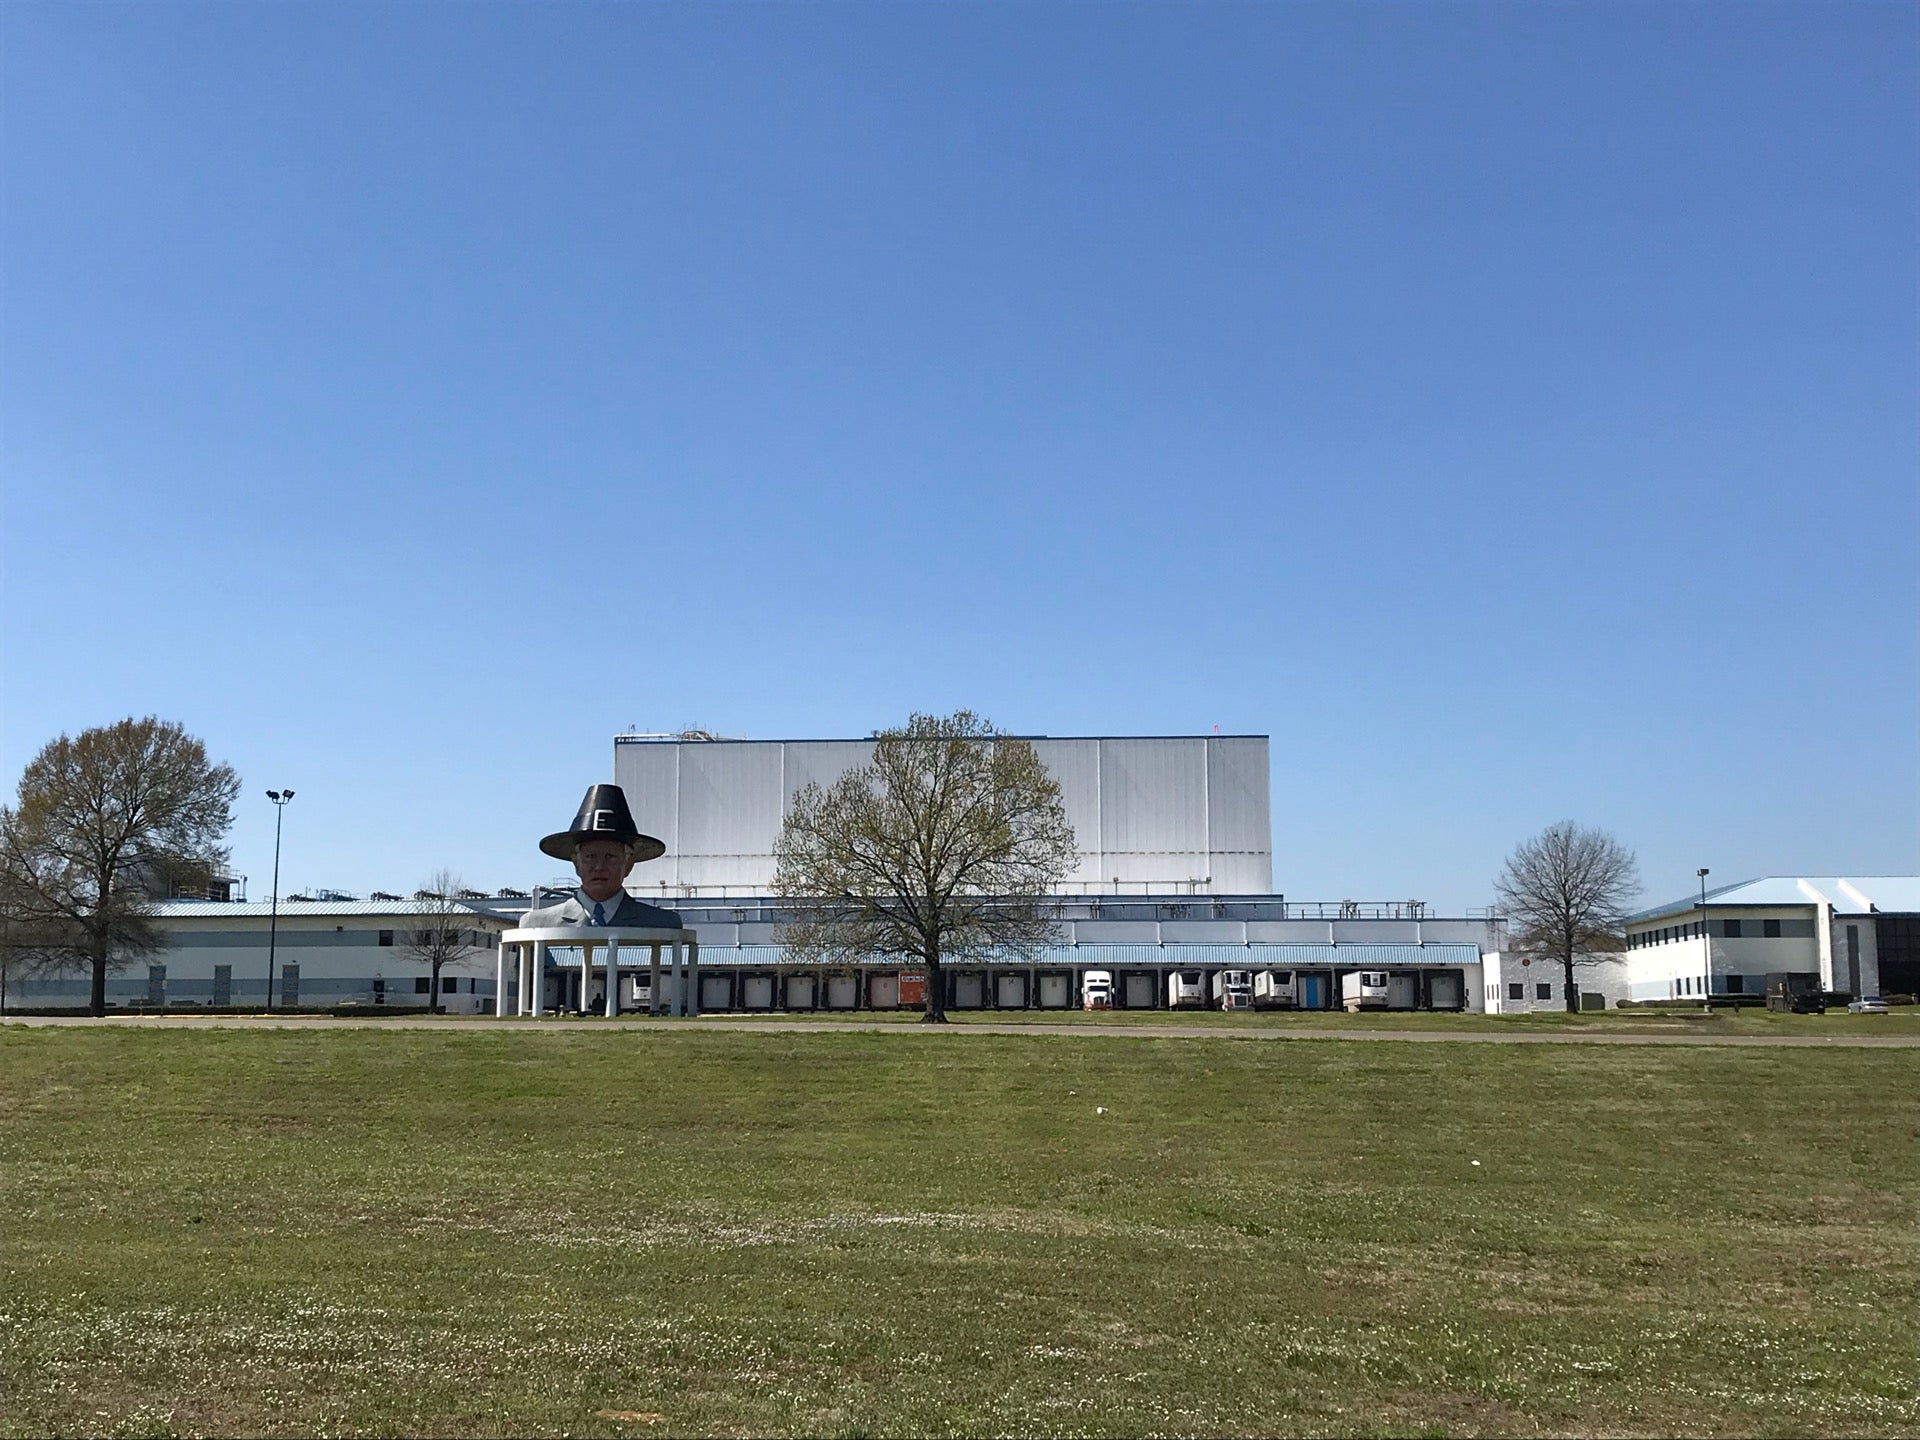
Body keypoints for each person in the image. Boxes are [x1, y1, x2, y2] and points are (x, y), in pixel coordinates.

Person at [523, 784, 683, 929]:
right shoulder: (538, 926)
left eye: (610, 857)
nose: (599, 866)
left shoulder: (662, 925)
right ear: (576, 863)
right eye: (590, 857)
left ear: (628, 864)